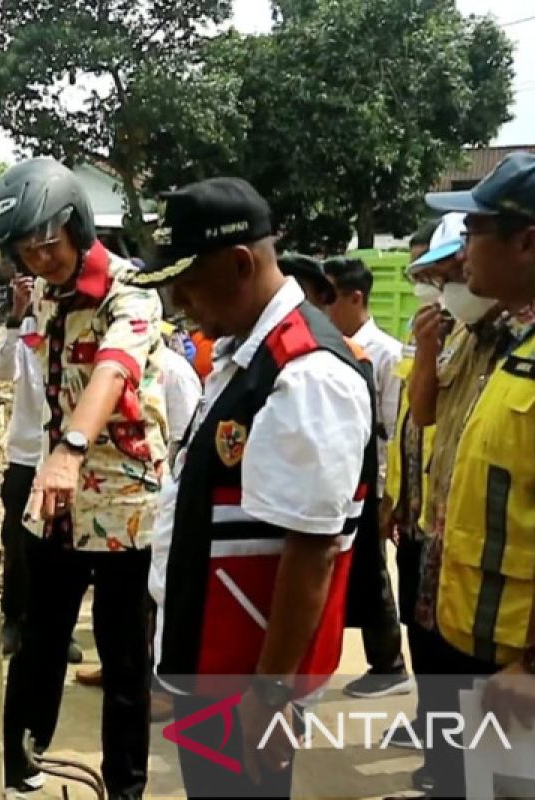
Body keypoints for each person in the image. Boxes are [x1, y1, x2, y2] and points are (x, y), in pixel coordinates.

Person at [137, 177, 374, 798]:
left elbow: (312, 549)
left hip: (243, 682)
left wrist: (271, 696)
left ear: (240, 264)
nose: (180, 302)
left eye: (187, 282)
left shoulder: (306, 373)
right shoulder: (248, 352)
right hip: (209, 664)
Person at [0, 157, 169, 799]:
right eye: (26, 252)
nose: (40, 260)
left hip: (121, 507)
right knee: (38, 641)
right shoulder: (44, 297)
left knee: (123, 664)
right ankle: (18, 764)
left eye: (48, 244)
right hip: (57, 504)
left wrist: (72, 446)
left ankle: (125, 788)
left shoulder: (131, 294)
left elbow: (115, 369)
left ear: (77, 225)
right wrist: (52, 462)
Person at [419, 152, 535, 798]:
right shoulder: (517, 345)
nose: (463, 250)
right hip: (488, 652)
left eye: (473, 231)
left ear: (526, 241)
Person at [75, 319, 202, 728]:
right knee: (118, 598)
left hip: (158, 495)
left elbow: (185, 436)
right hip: (110, 500)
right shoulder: (104, 366)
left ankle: (159, 684)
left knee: (155, 594)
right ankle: (119, 669)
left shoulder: (174, 371)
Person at [318, 255, 412, 699]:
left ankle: (388, 663)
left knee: (372, 572)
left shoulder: (386, 355)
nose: (321, 306)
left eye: (329, 296)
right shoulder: (325, 347)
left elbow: (393, 431)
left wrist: (387, 496)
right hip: (338, 477)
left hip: (369, 479)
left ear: (356, 298)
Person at [0, 272, 84, 664]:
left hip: (63, 458)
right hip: (27, 457)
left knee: (65, 550)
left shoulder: (77, 331)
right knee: (17, 544)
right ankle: (14, 619)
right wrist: (15, 316)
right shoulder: (24, 333)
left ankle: (60, 632)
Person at [379, 222, 441, 792]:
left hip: (452, 524)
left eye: (430, 269)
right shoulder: (426, 331)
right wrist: (395, 498)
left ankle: (444, 753)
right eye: (416, 270)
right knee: (421, 634)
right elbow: (409, 429)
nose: (420, 281)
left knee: (446, 645)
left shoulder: (469, 338)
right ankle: (430, 725)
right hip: (418, 517)